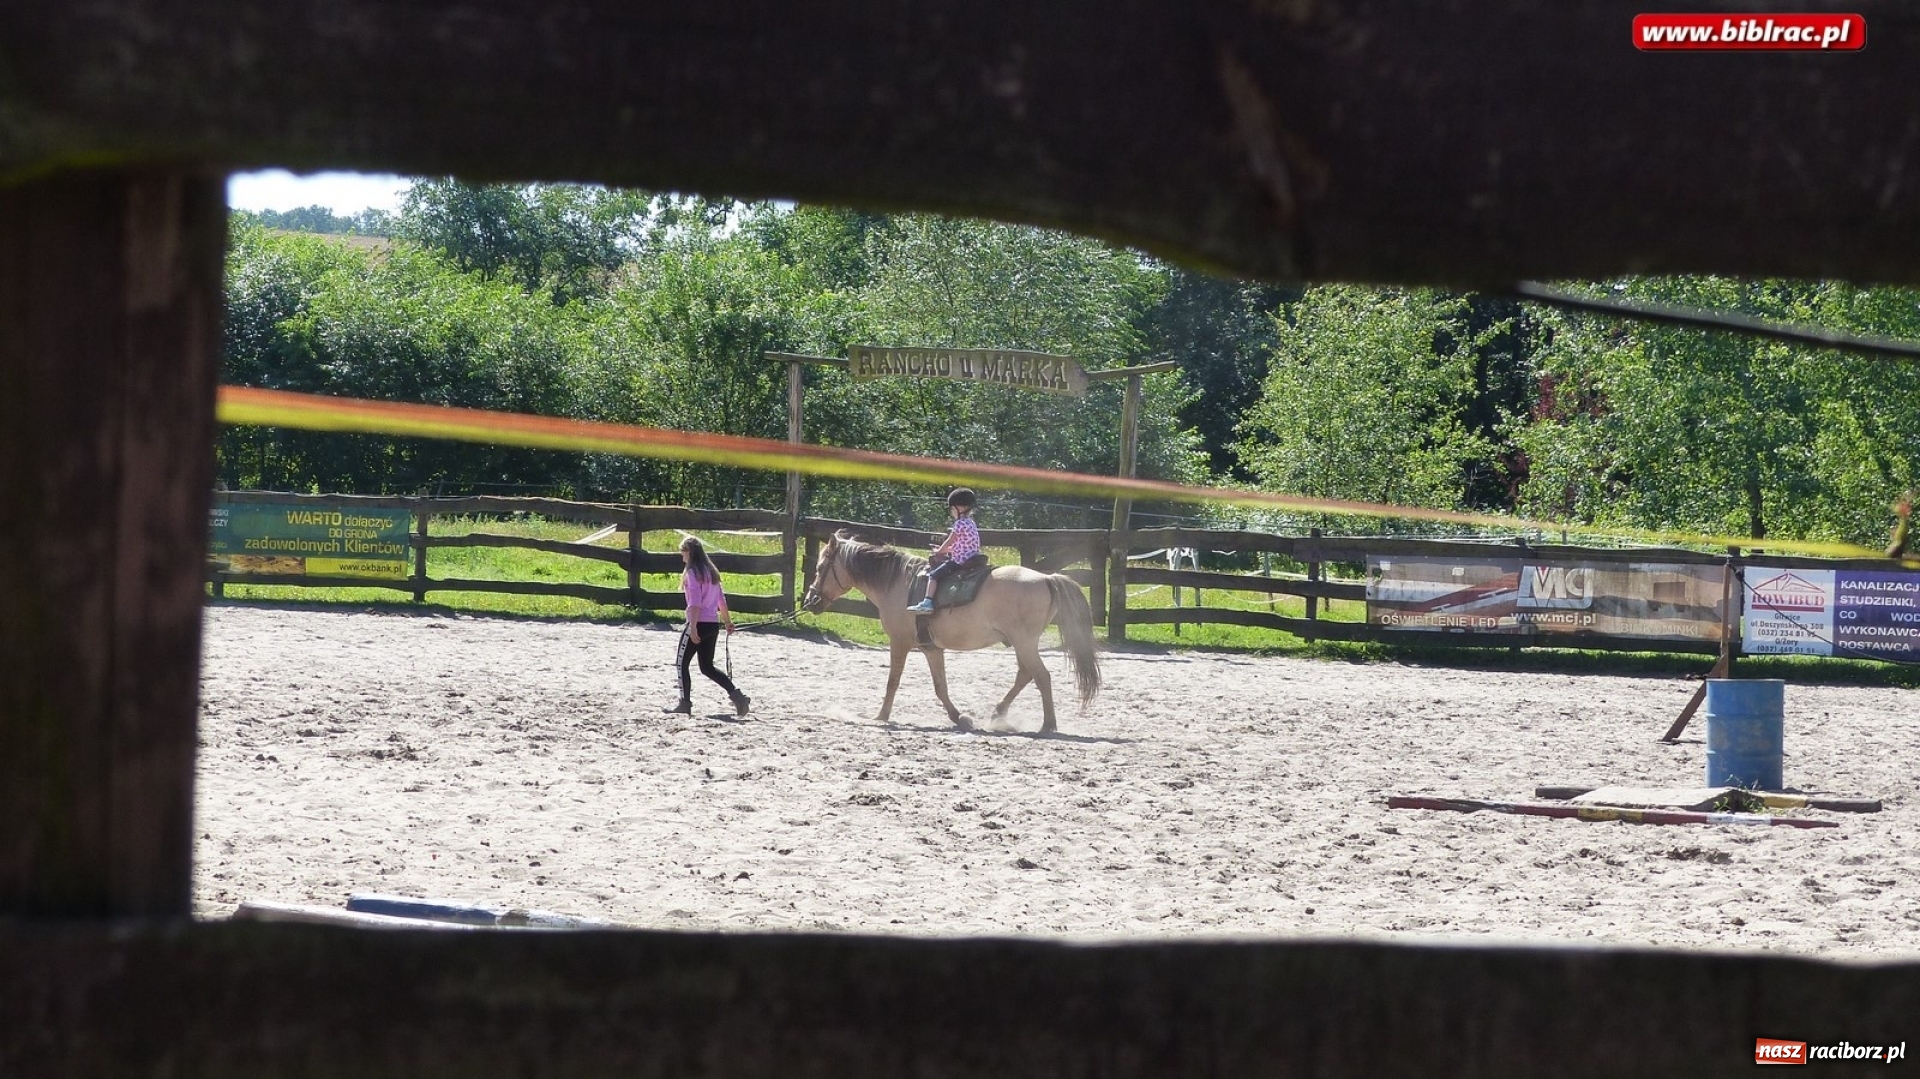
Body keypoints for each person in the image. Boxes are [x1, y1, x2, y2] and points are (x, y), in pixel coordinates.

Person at [664, 536, 751, 716]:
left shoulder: (692, 573)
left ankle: (685, 703)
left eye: (683, 553)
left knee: (681, 664)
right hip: (712, 624)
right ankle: (738, 697)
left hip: (699, 623)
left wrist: (693, 627)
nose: (682, 557)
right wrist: (727, 621)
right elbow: (721, 600)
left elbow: (694, 603)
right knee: (707, 667)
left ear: (690, 552)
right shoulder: (712, 572)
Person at [906, 488, 981, 613]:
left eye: (952, 509)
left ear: (959, 509)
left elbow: (950, 541)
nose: (952, 512)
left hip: (960, 561)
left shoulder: (959, 524)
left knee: (934, 575)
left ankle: (927, 602)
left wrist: (939, 551)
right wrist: (948, 550)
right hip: (972, 556)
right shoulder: (971, 523)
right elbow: (963, 545)